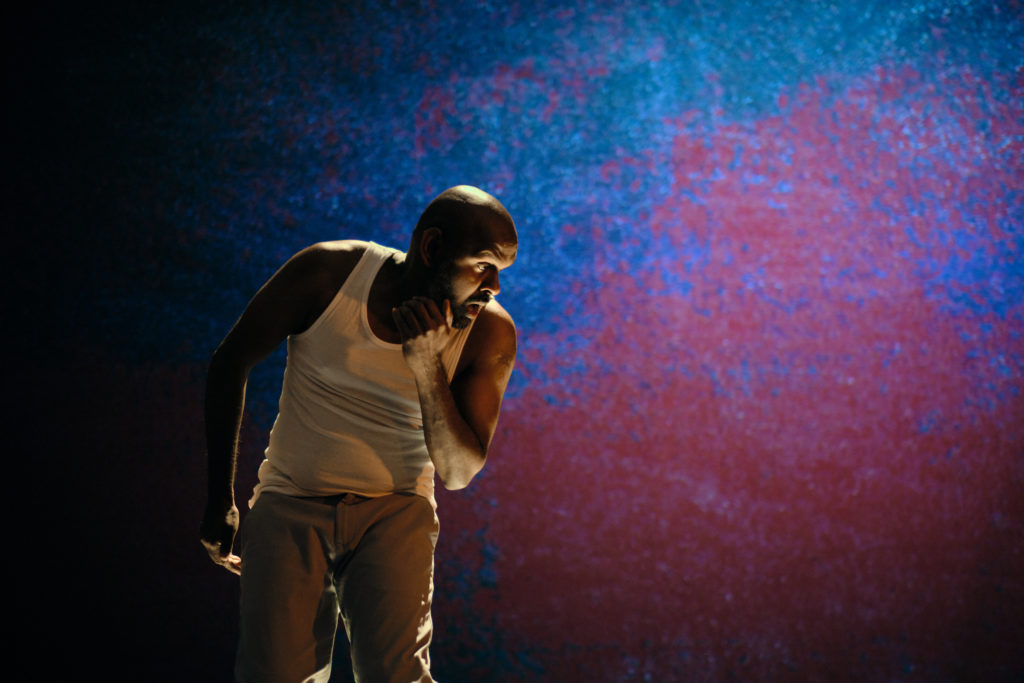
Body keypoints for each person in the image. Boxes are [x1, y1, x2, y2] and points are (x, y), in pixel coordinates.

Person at [200, 185, 518, 682]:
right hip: (291, 500)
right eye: (482, 264)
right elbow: (229, 360)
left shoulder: (489, 332)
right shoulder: (328, 274)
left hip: (396, 511)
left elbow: (457, 474)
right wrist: (219, 497)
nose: (494, 285)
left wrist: (428, 367)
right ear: (432, 249)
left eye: (501, 271)